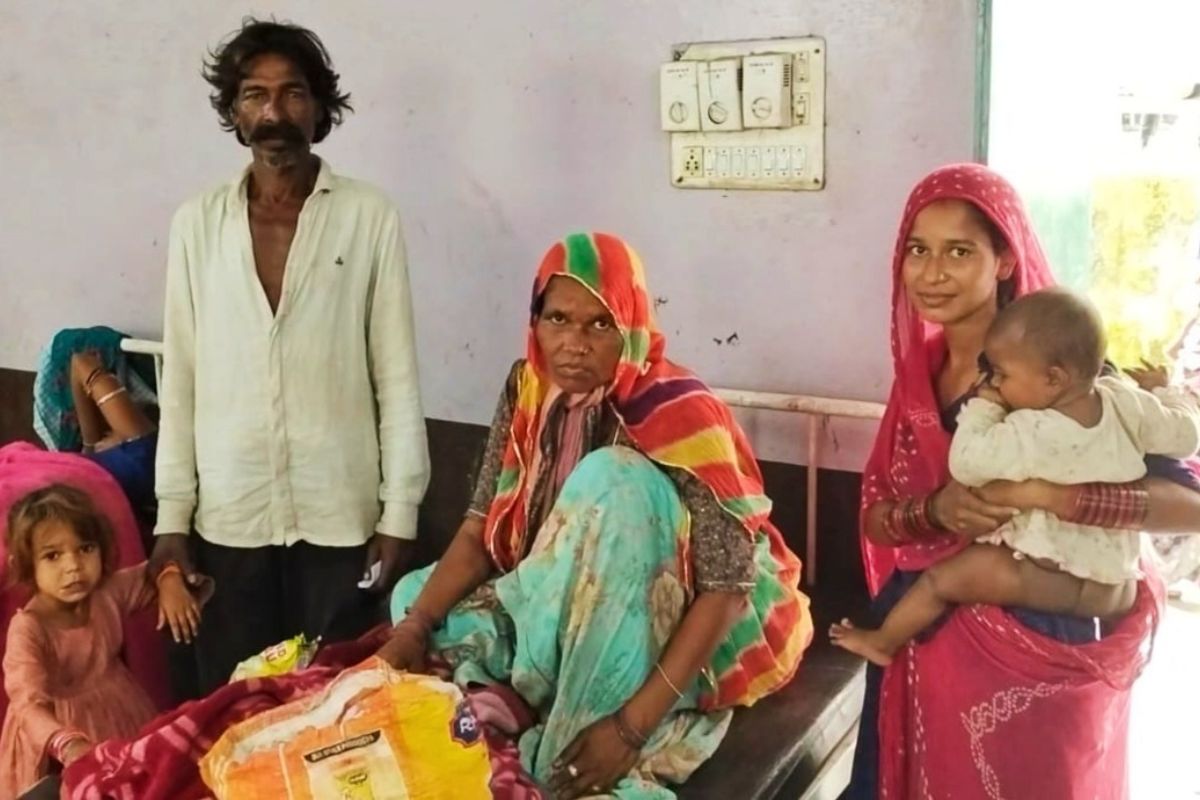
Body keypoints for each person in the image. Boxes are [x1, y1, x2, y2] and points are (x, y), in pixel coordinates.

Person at [377, 232, 813, 799]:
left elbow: (727, 590)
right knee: (414, 597)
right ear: (535, 322)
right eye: (557, 319)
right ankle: (531, 684)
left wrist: (629, 729)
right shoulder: (528, 388)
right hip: (565, 582)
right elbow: (481, 527)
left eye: (599, 324)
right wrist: (411, 630)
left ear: (631, 325)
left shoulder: (683, 414)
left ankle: (575, 709)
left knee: (613, 477)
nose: (573, 344)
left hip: (669, 611)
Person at [848, 163, 1200, 800]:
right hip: (920, 630)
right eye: (917, 251)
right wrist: (936, 511)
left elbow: (1189, 506)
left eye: (959, 252)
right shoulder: (919, 377)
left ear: (1005, 260)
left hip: (1038, 639)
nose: (932, 273)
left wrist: (1054, 498)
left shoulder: (1061, 370)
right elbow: (878, 514)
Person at [151, 18, 430, 694]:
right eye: (255, 94)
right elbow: (181, 378)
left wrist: (399, 515)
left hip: (340, 515)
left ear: (319, 107)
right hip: (231, 516)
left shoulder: (368, 217)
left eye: (292, 93)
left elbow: (395, 376)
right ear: (234, 111)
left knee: (336, 707)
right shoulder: (197, 225)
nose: (274, 112)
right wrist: (171, 520)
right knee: (235, 706)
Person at [832, 288, 1200, 666]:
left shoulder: (1030, 429)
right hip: (1112, 583)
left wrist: (985, 407)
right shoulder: (1125, 401)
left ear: (1053, 379)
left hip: (1043, 573)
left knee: (940, 581)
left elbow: (967, 461)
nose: (996, 383)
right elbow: (1186, 434)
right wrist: (1164, 391)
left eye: (1001, 375)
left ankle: (884, 642)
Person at [0, 484, 205, 798]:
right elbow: (27, 704)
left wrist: (168, 579)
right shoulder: (28, 628)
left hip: (121, 714)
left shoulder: (106, 594)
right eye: (53, 556)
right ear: (26, 565)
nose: (73, 566)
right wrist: (67, 744)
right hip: (54, 740)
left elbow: (154, 572)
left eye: (85, 549)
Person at [68, 351, 158, 530]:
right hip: (134, 459)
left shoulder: (139, 451)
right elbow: (80, 362)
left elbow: (80, 362)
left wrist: (89, 445)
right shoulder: (138, 454)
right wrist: (89, 444)